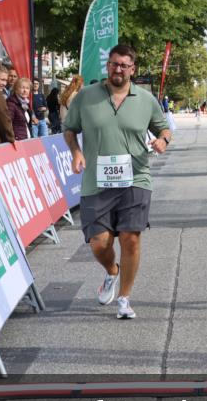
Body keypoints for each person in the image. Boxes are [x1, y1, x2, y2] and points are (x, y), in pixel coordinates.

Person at [62, 44, 172, 320]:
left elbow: (163, 127)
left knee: (130, 238)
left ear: (132, 69)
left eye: (124, 65)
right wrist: (76, 151)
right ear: (108, 66)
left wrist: (163, 140)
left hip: (135, 176)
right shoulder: (86, 97)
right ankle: (112, 271)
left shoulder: (145, 100)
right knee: (99, 243)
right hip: (96, 181)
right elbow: (69, 128)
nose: (118, 69)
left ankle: (124, 299)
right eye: (114, 64)